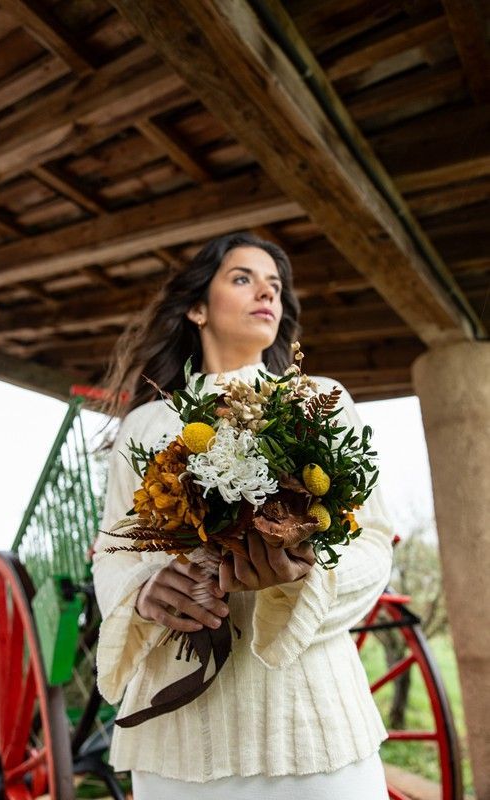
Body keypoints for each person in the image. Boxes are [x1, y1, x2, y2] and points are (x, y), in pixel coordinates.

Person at [93, 231, 394, 799]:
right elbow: (113, 551)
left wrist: (302, 578)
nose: (267, 294)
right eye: (243, 279)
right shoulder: (146, 425)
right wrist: (144, 592)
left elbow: (373, 542)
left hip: (314, 724)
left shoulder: (319, 398)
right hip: (177, 734)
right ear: (197, 308)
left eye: (275, 286)